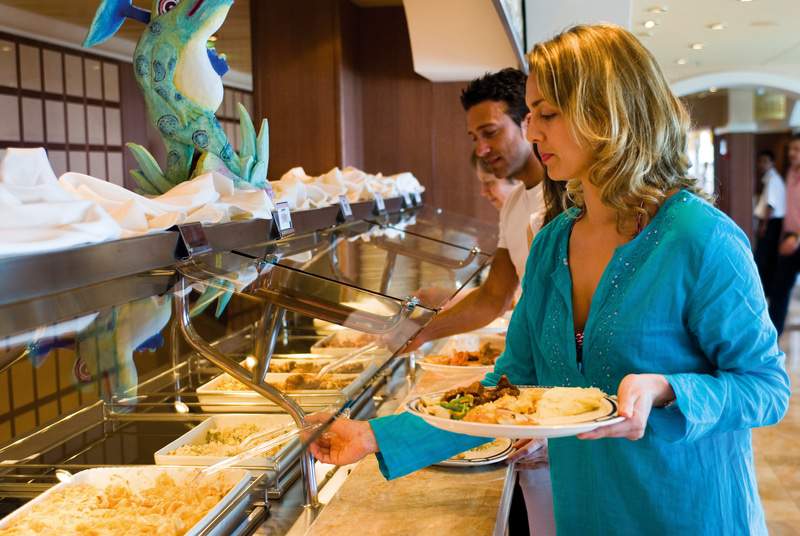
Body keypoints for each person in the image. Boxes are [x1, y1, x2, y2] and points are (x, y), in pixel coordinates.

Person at [309, 24, 790, 535]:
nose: (533, 132)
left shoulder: (701, 237)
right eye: (531, 115)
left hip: (689, 514)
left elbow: (765, 387)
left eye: (548, 114)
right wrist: (374, 436)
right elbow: (508, 390)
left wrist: (668, 389)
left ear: (607, 113)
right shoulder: (551, 244)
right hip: (584, 515)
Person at [404, 68, 562, 352]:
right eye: (475, 138)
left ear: (529, 123)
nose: (481, 149)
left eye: (490, 133)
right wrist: (421, 333)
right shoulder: (512, 205)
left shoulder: (568, 197)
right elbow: (493, 297)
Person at [768, 134, 800, 334]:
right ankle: (772, 338)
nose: (792, 153)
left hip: (797, 238)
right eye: (791, 149)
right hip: (788, 238)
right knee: (779, 291)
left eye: (797, 149)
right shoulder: (788, 173)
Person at [754, 149, 786, 300]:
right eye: (760, 161)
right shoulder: (771, 179)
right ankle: (766, 292)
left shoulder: (773, 180)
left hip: (771, 223)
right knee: (767, 258)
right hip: (772, 222)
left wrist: (764, 225)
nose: (761, 164)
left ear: (772, 163)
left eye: (765, 161)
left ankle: (763, 292)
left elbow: (770, 205)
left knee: (762, 259)